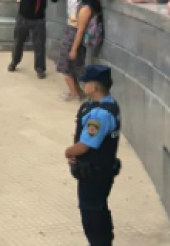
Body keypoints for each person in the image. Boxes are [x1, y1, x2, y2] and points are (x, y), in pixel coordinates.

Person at [65, 66, 122, 246]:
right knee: (99, 210)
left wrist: (68, 152)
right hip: (99, 171)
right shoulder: (105, 104)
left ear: (94, 87)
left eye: (86, 82)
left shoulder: (100, 114)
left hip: (94, 174)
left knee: (92, 217)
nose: (83, 85)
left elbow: (84, 146)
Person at [8, 0, 59, 78]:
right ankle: (14, 62)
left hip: (39, 19)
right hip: (24, 17)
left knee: (39, 44)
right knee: (18, 41)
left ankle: (40, 68)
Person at [58, 0, 101, 101]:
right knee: (71, 68)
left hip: (73, 40)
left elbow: (80, 30)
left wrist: (73, 49)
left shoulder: (86, 9)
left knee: (66, 69)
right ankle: (77, 92)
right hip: (73, 37)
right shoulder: (88, 5)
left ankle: (74, 94)